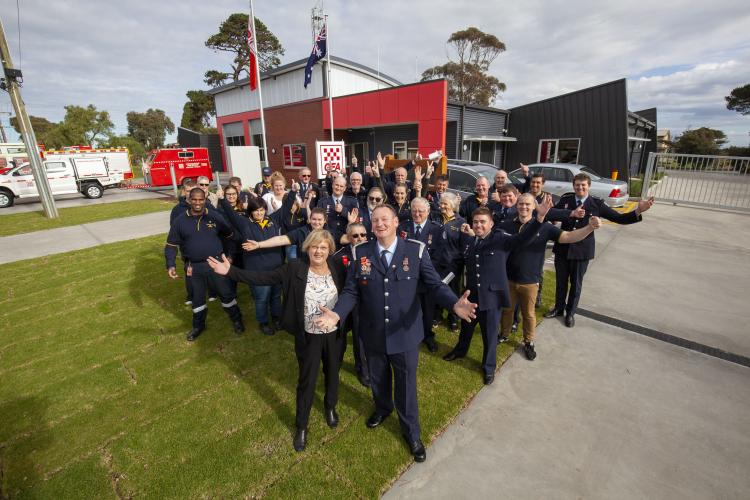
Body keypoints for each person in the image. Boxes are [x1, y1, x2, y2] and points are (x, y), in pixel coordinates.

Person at [315, 205, 477, 463]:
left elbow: (434, 284)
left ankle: (412, 432)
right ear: (371, 225)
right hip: (373, 332)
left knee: (406, 386)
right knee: (378, 379)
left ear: (395, 223)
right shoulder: (361, 252)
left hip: (405, 335)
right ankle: (382, 408)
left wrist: (454, 304)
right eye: (375, 220)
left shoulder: (414, 250)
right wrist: (336, 314)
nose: (380, 224)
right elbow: (352, 291)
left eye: (385, 219)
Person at [207, 230, 348, 452]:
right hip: (308, 336)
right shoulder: (295, 268)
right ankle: (302, 425)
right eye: (314, 247)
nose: (318, 251)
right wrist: (231, 272)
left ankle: (330, 407)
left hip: (334, 335)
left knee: (332, 373)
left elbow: (351, 293)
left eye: (323, 247)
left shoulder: (338, 267)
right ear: (307, 248)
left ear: (329, 249)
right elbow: (264, 278)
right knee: (307, 381)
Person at [442, 199, 553, 384]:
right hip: (472, 297)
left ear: (491, 223)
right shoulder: (469, 241)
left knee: (490, 335)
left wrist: (539, 218)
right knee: (466, 329)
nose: (478, 225)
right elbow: (460, 263)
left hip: (491, 299)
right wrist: (444, 281)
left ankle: (488, 368)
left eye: (482, 222)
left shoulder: (500, 239)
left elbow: (522, 238)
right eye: (475, 221)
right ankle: (460, 351)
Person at [499, 193, 601, 360]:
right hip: (509, 279)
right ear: (516, 206)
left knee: (529, 314)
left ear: (534, 207)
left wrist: (589, 228)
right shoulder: (507, 225)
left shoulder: (544, 227)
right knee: (507, 311)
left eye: (528, 205)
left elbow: (568, 237)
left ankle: (529, 342)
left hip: (530, 282)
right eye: (521, 204)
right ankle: (504, 334)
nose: (524, 207)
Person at [545, 173, 654, 327]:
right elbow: (551, 214)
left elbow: (619, 218)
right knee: (561, 282)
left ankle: (570, 313)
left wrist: (638, 211)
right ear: (573, 186)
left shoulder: (597, 204)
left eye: (583, 185)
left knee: (576, 284)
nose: (580, 187)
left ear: (589, 186)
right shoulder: (565, 200)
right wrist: (558, 214)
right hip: (563, 248)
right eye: (577, 185)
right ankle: (558, 308)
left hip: (582, 252)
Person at [165, 188, 244, 341]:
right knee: (197, 298)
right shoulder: (180, 221)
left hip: (216, 264)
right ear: (189, 199)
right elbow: (171, 245)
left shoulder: (214, 216)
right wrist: (171, 264)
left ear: (205, 198)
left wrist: (230, 255)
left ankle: (236, 320)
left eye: (200, 199)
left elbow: (230, 236)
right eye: (194, 199)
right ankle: (198, 326)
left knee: (226, 294)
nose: (197, 202)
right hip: (193, 267)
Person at [220, 195, 293, 335]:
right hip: (257, 271)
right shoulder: (244, 224)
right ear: (250, 212)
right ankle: (263, 322)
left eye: (261, 210)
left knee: (276, 296)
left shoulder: (272, 220)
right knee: (262, 298)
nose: (259, 213)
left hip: (277, 269)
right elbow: (231, 214)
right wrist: (222, 200)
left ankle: (277, 318)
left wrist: (293, 192)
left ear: (265, 210)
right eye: (256, 211)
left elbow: (285, 209)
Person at [398, 197, 444, 353]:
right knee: (409, 310)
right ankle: (412, 336)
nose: (417, 214)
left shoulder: (436, 229)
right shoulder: (403, 227)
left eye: (421, 211)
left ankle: (428, 336)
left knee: (428, 310)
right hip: (406, 278)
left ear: (428, 211)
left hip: (426, 280)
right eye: (414, 211)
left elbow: (439, 255)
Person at [333, 222, 371, 387]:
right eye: (355, 236)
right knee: (338, 338)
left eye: (363, 234)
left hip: (365, 303)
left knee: (361, 338)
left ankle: (363, 369)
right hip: (343, 302)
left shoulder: (373, 253)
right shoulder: (337, 256)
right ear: (348, 238)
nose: (360, 238)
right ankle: (334, 365)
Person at [431, 192, 465, 331]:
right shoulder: (435, 217)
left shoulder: (461, 222)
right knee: (437, 289)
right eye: (441, 203)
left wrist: (458, 263)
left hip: (453, 265)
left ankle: (453, 317)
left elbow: (464, 245)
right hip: (436, 263)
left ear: (452, 205)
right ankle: (437, 315)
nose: (442, 206)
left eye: (445, 203)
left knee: (452, 291)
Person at [318, 175, 358, 245]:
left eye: (341, 186)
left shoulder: (352, 202)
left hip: (347, 240)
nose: (338, 188)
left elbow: (356, 219)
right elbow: (319, 221)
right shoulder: (322, 202)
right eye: (336, 185)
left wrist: (343, 211)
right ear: (333, 185)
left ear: (345, 188)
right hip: (328, 239)